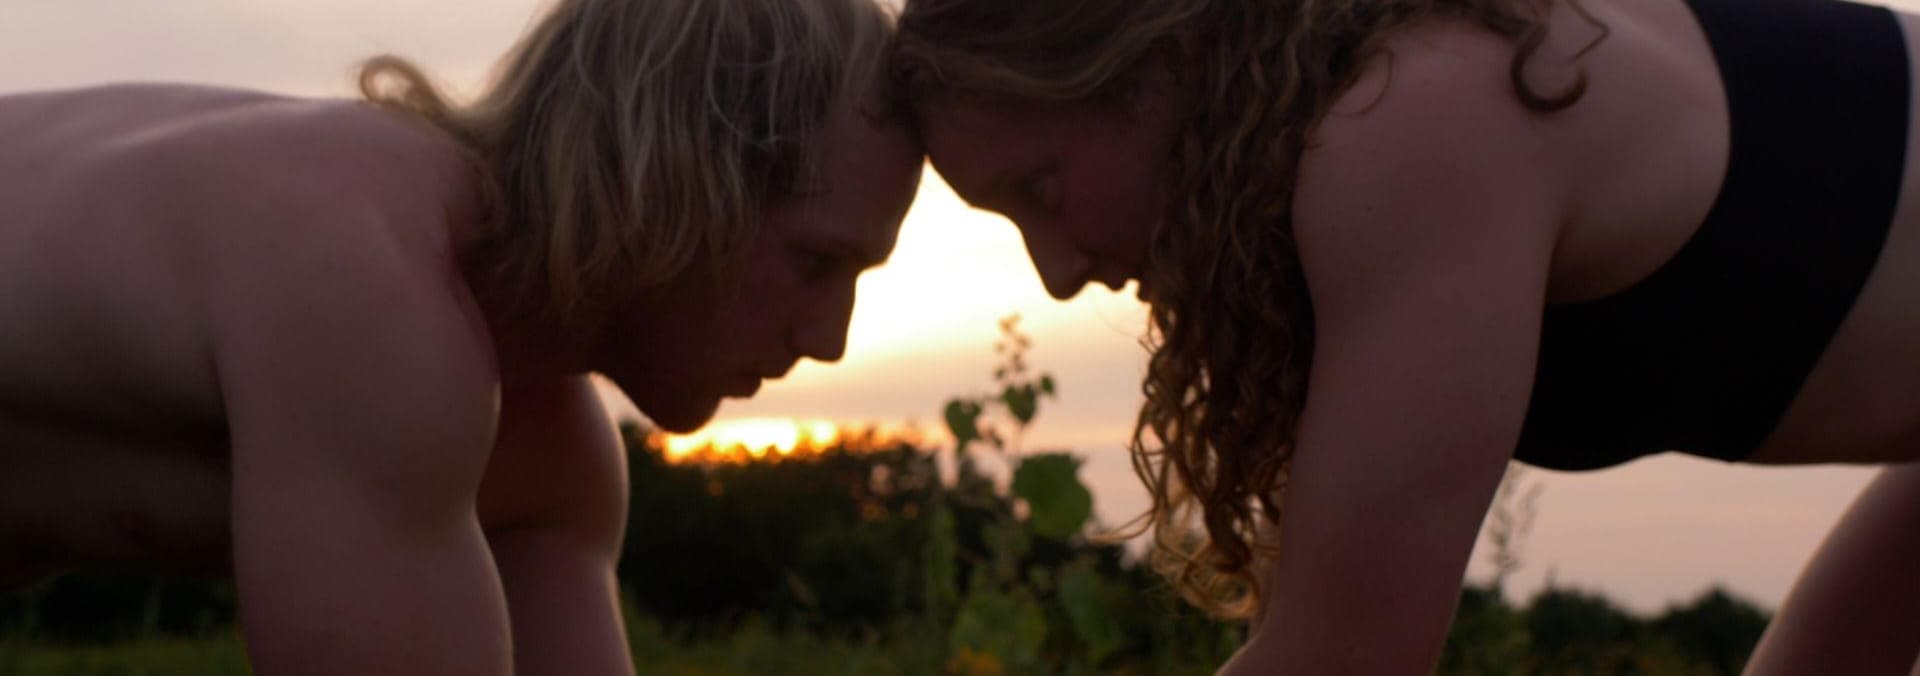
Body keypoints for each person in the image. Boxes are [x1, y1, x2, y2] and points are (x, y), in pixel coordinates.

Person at [893, 0, 1920, 672]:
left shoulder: (1411, 128)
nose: (1057, 273)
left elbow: (1348, 658)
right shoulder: (1378, 116)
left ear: (1154, 59)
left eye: (1039, 190)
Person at [0, 0, 920, 672]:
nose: (831, 340)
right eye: (816, 261)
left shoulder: (551, 461)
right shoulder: (363, 270)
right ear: (681, 182)